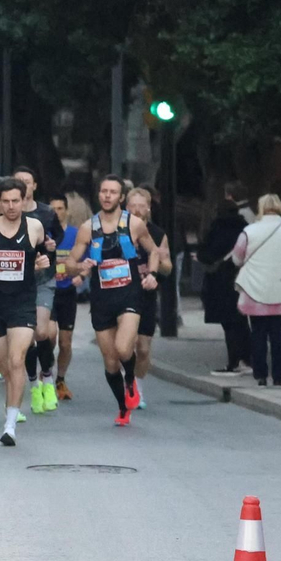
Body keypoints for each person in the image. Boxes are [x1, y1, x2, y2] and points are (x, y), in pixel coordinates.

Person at [69, 174, 161, 426]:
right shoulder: (89, 228)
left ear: (121, 197)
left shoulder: (133, 224)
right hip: (102, 299)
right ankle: (123, 407)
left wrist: (152, 274)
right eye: (103, 191)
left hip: (129, 294)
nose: (107, 196)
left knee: (123, 349)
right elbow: (69, 264)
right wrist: (80, 267)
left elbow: (154, 251)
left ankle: (130, 381)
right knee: (110, 361)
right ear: (99, 195)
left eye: (112, 192)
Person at [0, 177, 46, 446]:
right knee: (2, 361)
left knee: (17, 360)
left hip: (23, 302)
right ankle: (10, 403)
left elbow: (43, 257)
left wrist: (42, 263)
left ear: (24, 200)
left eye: (16, 200)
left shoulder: (35, 226)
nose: (11, 206)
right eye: (6, 201)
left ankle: (10, 424)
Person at [232, 194, 281, 387]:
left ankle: (261, 375)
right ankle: (278, 376)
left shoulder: (249, 231)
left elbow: (237, 258)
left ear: (260, 208)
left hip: (255, 290)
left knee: (258, 333)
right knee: (279, 334)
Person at [12, 167, 63, 416]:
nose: (23, 185)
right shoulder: (10, 213)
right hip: (19, 282)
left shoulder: (46, 212)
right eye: (18, 181)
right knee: (28, 337)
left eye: (27, 182)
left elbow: (56, 239)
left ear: (34, 186)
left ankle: (47, 376)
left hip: (43, 279)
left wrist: (52, 245)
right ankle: (34, 384)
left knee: (43, 331)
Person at [125, 188, 172, 407]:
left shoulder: (158, 234)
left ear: (149, 208)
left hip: (146, 294)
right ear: (126, 208)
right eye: (132, 205)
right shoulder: (118, 231)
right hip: (123, 293)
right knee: (126, 345)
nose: (137, 209)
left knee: (143, 348)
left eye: (141, 205)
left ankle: (138, 387)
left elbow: (168, 268)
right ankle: (127, 386)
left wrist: (157, 263)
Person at [199, 187, 251, 376]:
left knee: (228, 323)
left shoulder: (216, 228)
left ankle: (234, 361)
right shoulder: (244, 228)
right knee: (241, 320)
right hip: (241, 279)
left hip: (219, 281)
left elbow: (205, 253)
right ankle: (247, 358)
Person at [48, 195, 79, 400]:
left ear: (66, 210)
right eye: (53, 209)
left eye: (60, 208)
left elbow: (87, 260)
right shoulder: (45, 233)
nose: (57, 212)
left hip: (68, 292)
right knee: (49, 337)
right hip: (48, 291)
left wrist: (81, 276)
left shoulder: (76, 234)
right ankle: (46, 374)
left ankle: (60, 379)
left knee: (66, 343)